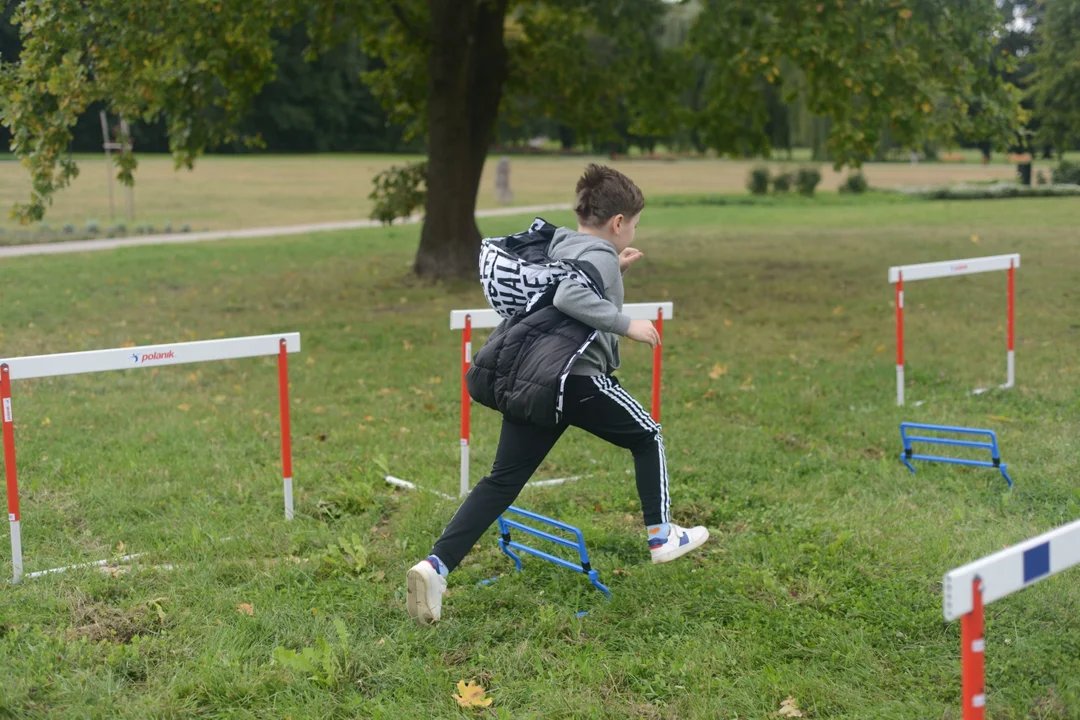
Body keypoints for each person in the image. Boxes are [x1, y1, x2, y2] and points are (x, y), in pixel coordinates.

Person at [406, 164, 709, 625]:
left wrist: (616, 268)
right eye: (634, 224)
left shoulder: (566, 242)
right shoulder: (599, 257)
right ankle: (662, 536)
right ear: (618, 223)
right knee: (647, 436)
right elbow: (570, 296)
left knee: (502, 480)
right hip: (578, 379)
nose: (633, 232)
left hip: (538, 382)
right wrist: (628, 325)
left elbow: (575, 279)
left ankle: (436, 567)